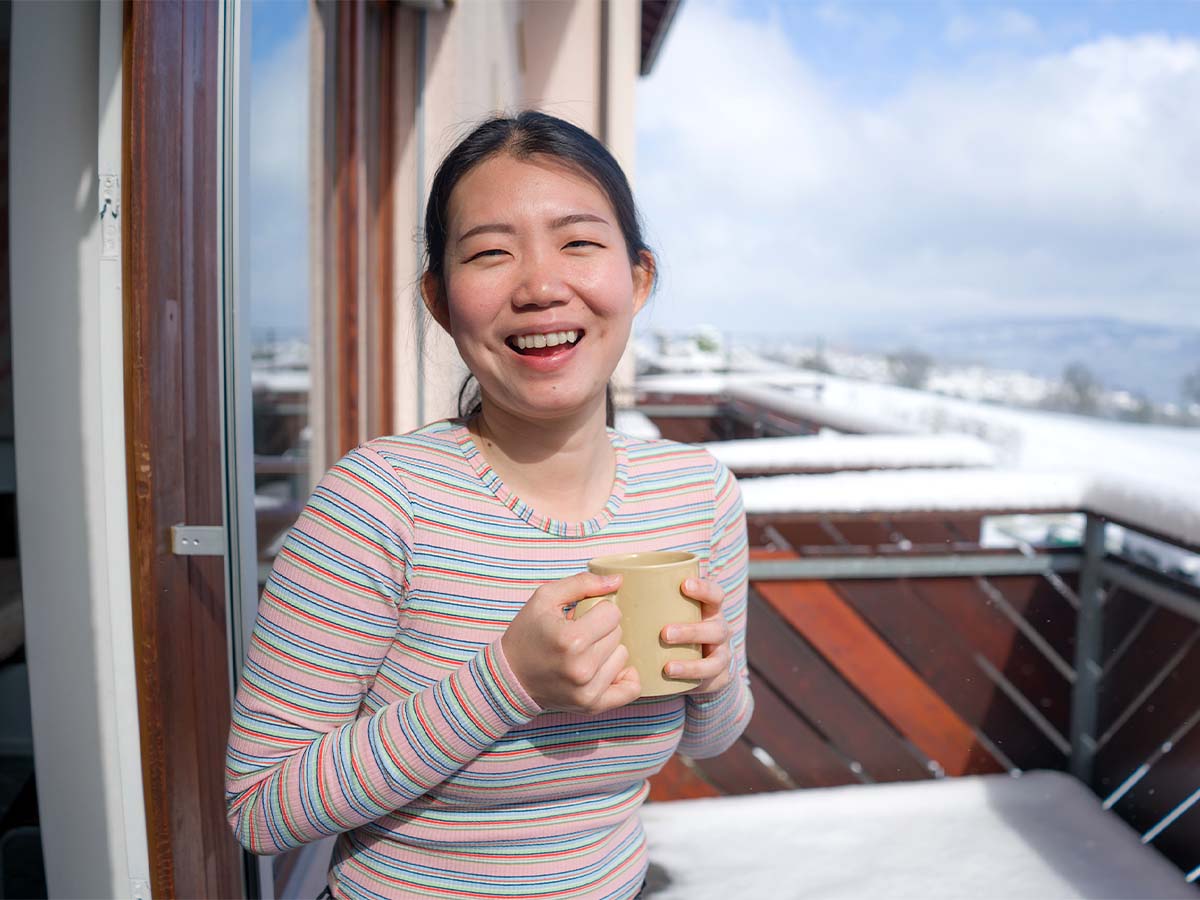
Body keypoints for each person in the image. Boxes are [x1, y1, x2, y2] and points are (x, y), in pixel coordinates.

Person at [225, 111, 753, 900]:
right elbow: (260, 809)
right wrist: (507, 679)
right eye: (490, 254)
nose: (541, 287)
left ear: (637, 279)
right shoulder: (379, 502)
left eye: (578, 243)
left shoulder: (697, 495)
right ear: (440, 300)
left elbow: (713, 739)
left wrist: (713, 681)